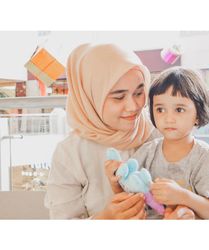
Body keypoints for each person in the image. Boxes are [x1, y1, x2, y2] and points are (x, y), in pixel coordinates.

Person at [45, 43, 195, 219]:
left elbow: (198, 192)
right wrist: (105, 219)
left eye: (139, 93)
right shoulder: (70, 153)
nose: (133, 107)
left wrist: (187, 212)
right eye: (118, 97)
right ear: (91, 97)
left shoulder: (162, 131)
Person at [106, 67, 209, 219]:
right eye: (160, 109)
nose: (168, 118)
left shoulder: (205, 157)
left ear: (198, 114)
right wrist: (116, 181)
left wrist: (182, 196)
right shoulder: (148, 151)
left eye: (179, 109)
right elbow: (129, 193)